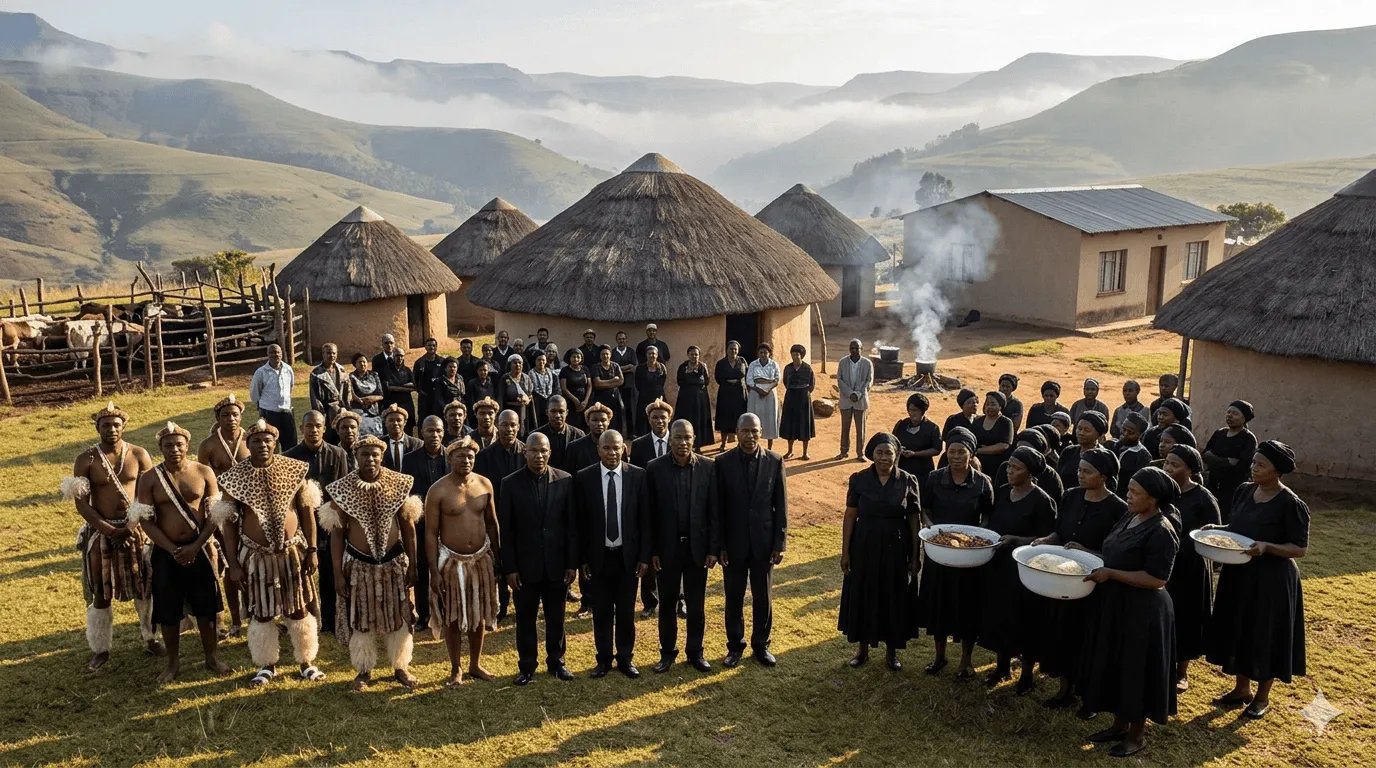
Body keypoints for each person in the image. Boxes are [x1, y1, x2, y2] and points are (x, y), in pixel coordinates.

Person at [213, 418, 324, 687]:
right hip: (255, 555)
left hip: (292, 552)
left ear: (275, 443)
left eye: (267, 440)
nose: (262, 445)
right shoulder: (234, 478)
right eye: (256, 441)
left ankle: (306, 662)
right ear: (247, 445)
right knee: (262, 611)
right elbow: (229, 526)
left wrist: (311, 549)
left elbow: (307, 512)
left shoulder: (294, 469)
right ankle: (267, 666)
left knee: (297, 607)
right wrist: (233, 564)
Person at [1079, 467, 1181, 758]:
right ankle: (1118, 724)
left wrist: (1111, 573)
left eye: (1135, 493)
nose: (1128, 496)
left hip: (1144, 611)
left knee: (1137, 670)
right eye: (1129, 490)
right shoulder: (1130, 516)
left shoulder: (1162, 530)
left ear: (1153, 499)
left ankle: (1137, 735)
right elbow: (1113, 551)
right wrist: (1092, 555)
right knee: (1116, 664)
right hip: (1116, 605)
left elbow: (1157, 579)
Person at [1204, 440, 1309, 720]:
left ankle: (1262, 697)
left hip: (1272, 580)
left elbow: (1299, 548)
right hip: (1239, 573)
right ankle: (1241, 689)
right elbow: (1236, 528)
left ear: (1277, 471)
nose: (1254, 468)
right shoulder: (1244, 491)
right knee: (1240, 628)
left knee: (1265, 635)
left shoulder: (1290, 504)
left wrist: (1267, 547)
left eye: (1260, 465)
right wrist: (1216, 529)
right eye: (1253, 463)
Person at [60, 401, 159, 672]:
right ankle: (100, 649)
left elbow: (148, 494)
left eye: (116, 425)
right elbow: (82, 503)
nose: (111, 430)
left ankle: (151, 638)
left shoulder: (139, 455)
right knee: (100, 591)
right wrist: (109, 530)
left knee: (144, 586)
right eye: (105, 425)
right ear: (97, 428)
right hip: (101, 532)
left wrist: (130, 526)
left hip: (134, 530)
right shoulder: (86, 459)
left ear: (123, 426)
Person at [129, 421, 230, 683]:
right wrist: (173, 549)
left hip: (201, 550)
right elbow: (146, 520)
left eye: (179, 444)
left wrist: (196, 546)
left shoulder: (203, 471)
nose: (174, 449)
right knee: (168, 610)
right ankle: (173, 663)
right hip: (167, 553)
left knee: (206, 607)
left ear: (187, 445)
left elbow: (214, 515)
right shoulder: (150, 478)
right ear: (160, 448)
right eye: (168, 445)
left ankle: (211, 658)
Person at [320, 436, 422, 690]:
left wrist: (413, 564)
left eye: (375, 454)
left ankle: (401, 666)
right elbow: (336, 535)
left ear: (382, 456)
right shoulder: (342, 489)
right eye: (365, 454)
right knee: (362, 618)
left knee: (398, 616)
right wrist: (337, 574)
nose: (370, 459)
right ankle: (363, 670)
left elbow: (408, 528)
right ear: (356, 457)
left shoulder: (398, 483)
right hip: (358, 565)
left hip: (394, 564)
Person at [1030, 447, 1126, 713]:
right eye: (1079, 469)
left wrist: (1088, 553)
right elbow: (1060, 532)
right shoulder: (1071, 497)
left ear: (1104, 476)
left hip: (1093, 585)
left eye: (1087, 471)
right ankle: (1065, 690)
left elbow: (1116, 552)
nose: (1080, 475)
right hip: (1063, 580)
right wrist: (1047, 540)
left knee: (1089, 640)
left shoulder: (1118, 509)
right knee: (1063, 635)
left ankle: (1091, 698)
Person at [499, 433, 578, 685]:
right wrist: (509, 568)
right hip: (525, 567)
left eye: (543, 451)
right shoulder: (510, 484)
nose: (539, 455)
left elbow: (571, 528)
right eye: (534, 451)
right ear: (525, 453)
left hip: (556, 565)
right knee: (525, 618)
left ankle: (557, 662)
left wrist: (571, 563)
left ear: (550, 452)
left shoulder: (565, 480)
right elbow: (507, 531)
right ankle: (527, 666)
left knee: (556, 616)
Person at [915, 427, 993, 679]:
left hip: (969, 558)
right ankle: (939, 656)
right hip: (939, 553)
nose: (956, 456)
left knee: (967, 608)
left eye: (961, 452)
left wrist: (977, 536)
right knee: (939, 606)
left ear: (971, 455)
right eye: (951, 451)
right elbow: (924, 508)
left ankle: (965, 661)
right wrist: (930, 527)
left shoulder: (982, 482)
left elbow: (989, 515)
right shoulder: (935, 478)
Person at [979, 446, 1057, 692]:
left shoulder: (1042, 501)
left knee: (1026, 620)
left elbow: (1047, 538)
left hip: (1025, 571)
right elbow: (990, 522)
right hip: (999, 567)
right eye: (1009, 466)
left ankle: (1026, 675)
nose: (1009, 471)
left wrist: (1017, 540)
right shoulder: (1002, 494)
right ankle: (1002, 666)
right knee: (1001, 616)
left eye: (1016, 468)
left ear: (1031, 473)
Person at [840, 433, 920, 671]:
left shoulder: (908, 480)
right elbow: (850, 515)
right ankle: (862, 650)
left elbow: (914, 519)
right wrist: (845, 552)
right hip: (864, 546)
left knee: (893, 596)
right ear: (872, 455)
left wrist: (915, 555)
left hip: (896, 547)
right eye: (879, 452)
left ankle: (891, 652)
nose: (884, 458)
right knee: (864, 593)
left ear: (896, 455)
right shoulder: (859, 479)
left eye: (889, 453)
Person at [425, 436, 500, 685]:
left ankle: (475, 664)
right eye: (460, 456)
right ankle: (456, 667)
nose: (466, 460)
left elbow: (491, 522)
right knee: (453, 615)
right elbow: (430, 533)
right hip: (451, 561)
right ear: (450, 459)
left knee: (478, 613)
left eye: (470, 456)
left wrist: (498, 557)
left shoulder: (484, 484)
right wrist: (434, 571)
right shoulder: (438, 490)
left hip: (481, 559)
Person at [576, 430, 651, 679]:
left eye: (616, 448)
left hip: (627, 557)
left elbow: (645, 520)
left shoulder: (637, 476)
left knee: (627, 611)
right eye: (606, 448)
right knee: (602, 611)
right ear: (598, 449)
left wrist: (643, 557)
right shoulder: (584, 478)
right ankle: (604, 659)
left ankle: (626, 658)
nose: (611, 453)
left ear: (623, 449)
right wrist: (583, 559)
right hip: (598, 558)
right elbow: (580, 523)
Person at [647, 419, 719, 673]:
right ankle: (667, 653)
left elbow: (714, 512)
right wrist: (652, 550)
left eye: (687, 438)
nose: (682, 442)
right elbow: (650, 514)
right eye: (677, 437)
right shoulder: (654, 469)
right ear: (670, 439)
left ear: (694, 439)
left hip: (697, 550)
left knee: (696, 604)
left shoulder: (708, 468)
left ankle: (695, 652)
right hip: (666, 550)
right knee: (666, 603)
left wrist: (712, 549)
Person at [717, 413, 787, 668]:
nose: (749, 436)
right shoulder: (722, 463)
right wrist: (720, 545)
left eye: (754, 431)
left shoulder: (775, 461)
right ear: (736, 431)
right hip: (733, 545)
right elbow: (718, 508)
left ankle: (761, 645)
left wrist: (780, 543)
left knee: (763, 596)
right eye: (744, 431)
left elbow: (781, 505)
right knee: (733, 596)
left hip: (763, 543)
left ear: (762, 432)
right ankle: (735, 646)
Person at [284, 411, 349, 634]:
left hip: (330, 521)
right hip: (301, 525)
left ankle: (330, 620)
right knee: (303, 573)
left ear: (324, 429)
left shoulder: (338, 454)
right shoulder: (289, 457)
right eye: (309, 426)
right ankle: (306, 618)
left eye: (318, 426)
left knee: (331, 571)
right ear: (302, 429)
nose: (313, 430)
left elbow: (342, 490)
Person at [1161, 445, 1220, 692]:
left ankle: (1181, 672)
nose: (1168, 468)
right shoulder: (1162, 492)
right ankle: (1160, 664)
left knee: (1184, 617)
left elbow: (1215, 535)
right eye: (1167, 463)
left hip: (1189, 568)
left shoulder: (1203, 498)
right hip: (1162, 564)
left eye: (1175, 465)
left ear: (1191, 470)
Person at [563, 402, 618, 616]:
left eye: (603, 419)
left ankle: (611, 600)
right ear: (588, 421)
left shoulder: (616, 444)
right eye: (595, 419)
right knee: (587, 557)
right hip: (586, 509)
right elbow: (569, 479)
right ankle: (587, 602)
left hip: (612, 507)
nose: (599, 423)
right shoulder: (575, 447)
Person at [475, 409, 526, 620]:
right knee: (499, 559)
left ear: (519, 427)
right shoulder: (485, 456)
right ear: (498, 426)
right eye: (504, 425)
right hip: (494, 517)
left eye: (513, 425)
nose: (509, 429)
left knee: (522, 559)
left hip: (522, 516)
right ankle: (502, 604)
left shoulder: (525, 452)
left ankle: (522, 602)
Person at [401, 416, 449, 633]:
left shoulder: (450, 457)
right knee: (421, 566)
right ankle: (423, 615)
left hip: (447, 522)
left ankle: (446, 610)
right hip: (419, 521)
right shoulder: (409, 460)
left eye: (438, 431)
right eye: (430, 431)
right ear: (421, 432)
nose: (435, 435)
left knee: (445, 567)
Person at [629, 397, 675, 618]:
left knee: (677, 554)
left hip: (674, 507)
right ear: (649, 419)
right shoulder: (639, 445)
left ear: (670, 419)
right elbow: (636, 476)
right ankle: (650, 600)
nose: (659, 421)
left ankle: (680, 599)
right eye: (655, 417)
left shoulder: (677, 440)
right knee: (648, 551)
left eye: (663, 417)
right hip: (649, 505)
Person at [1203, 400, 1257, 522]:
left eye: (1235, 413)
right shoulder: (1219, 433)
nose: (1229, 416)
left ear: (1244, 418)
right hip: (1212, 482)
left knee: (1227, 517)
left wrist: (1215, 459)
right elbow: (1205, 455)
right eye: (1228, 412)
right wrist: (1227, 461)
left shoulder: (1248, 438)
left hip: (1233, 488)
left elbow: (1242, 465)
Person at [992, 429, 1064, 506]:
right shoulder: (1005, 468)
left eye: (1027, 449)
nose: (1010, 471)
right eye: (1019, 448)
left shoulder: (1051, 476)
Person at [249, 344, 298, 449]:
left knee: (290, 444)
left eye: (277, 352)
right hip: (269, 412)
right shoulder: (261, 372)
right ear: (267, 354)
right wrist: (260, 406)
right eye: (272, 352)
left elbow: (290, 387)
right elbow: (254, 392)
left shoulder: (288, 370)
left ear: (281, 354)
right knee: (271, 444)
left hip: (286, 412)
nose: (275, 355)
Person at [836, 339, 873, 461]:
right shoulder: (842, 362)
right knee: (845, 428)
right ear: (849, 349)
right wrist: (850, 393)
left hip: (860, 401)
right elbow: (839, 380)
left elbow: (869, 381)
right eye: (852, 348)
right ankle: (843, 451)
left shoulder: (867, 363)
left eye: (857, 348)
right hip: (846, 400)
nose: (854, 350)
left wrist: (858, 394)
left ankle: (860, 453)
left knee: (860, 428)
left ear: (861, 349)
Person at [892, 393, 943, 483]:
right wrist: (900, 450)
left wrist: (915, 454)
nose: (912, 413)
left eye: (916, 410)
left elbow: (937, 449)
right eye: (911, 410)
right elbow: (892, 442)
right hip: (903, 470)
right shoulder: (901, 425)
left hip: (923, 472)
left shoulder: (932, 428)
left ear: (922, 411)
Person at [778, 344, 816, 461]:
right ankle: (790, 451)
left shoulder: (808, 368)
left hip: (804, 398)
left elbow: (812, 384)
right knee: (791, 424)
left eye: (797, 355)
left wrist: (804, 392)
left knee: (804, 424)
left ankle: (805, 452)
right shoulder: (788, 368)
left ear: (801, 356)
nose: (795, 357)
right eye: (793, 354)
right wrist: (793, 389)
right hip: (791, 397)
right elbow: (785, 381)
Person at [373, 335, 417, 435]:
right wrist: (403, 387)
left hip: (406, 401)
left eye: (391, 343)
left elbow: (413, 386)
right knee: (390, 423)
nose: (389, 345)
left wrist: (397, 385)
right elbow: (387, 385)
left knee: (407, 426)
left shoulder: (407, 370)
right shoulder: (380, 362)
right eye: (386, 343)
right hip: (387, 397)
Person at [198, 393, 251, 474]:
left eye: (235, 415)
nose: (231, 419)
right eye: (226, 415)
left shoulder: (251, 441)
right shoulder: (207, 446)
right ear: (218, 418)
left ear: (241, 417)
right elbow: (204, 477)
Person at [309, 343, 351, 443]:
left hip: (341, 410)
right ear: (323, 354)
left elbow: (347, 391)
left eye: (334, 353)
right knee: (329, 439)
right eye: (328, 353)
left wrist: (348, 409)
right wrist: (320, 415)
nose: (331, 356)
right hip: (326, 412)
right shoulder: (316, 373)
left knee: (343, 438)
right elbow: (314, 397)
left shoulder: (342, 370)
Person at [1057, 411, 1108, 492]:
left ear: (1099, 434)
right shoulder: (1068, 452)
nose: (1081, 433)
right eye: (1079, 428)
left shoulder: (1105, 457)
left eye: (1087, 430)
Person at [676, 346, 714, 452]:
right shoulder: (683, 367)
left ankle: (698, 445)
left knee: (699, 421)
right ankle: (686, 444)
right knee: (687, 420)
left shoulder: (703, 367)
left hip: (700, 399)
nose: (694, 356)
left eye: (696, 354)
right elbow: (679, 381)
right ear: (688, 355)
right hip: (686, 399)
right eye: (692, 354)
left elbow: (707, 381)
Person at [535, 396, 586, 472]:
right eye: (553, 411)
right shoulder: (537, 436)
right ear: (547, 412)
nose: (557, 415)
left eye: (561, 411)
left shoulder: (578, 435)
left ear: (567, 412)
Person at [714, 340, 749, 451]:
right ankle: (723, 443)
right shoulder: (721, 363)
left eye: (735, 349)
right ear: (727, 350)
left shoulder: (742, 361)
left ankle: (740, 443)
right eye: (731, 348)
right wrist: (728, 383)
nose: (733, 351)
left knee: (740, 418)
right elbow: (717, 377)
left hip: (740, 393)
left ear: (738, 350)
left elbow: (747, 374)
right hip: (726, 393)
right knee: (725, 417)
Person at [746, 344, 782, 452]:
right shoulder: (753, 365)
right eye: (761, 352)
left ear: (769, 353)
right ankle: (754, 446)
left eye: (765, 352)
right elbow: (749, 380)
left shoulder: (774, 365)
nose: (763, 355)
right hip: (755, 394)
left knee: (770, 419)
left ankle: (770, 447)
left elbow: (777, 379)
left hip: (770, 394)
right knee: (754, 418)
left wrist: (767, 388)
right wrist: (759, 389)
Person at [972, 391, 1014, 478]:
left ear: (1000, 406)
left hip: (998, 466)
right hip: (978, 464)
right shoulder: (977, 421)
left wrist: (979, 450)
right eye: (987, 404)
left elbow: (1004, 445)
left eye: (993, 404)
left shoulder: (1006, 422)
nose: (989, 407)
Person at [1111, 413, 1153, 498]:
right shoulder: (1111, 445)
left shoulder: (1143, 456)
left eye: (1131, 433)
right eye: (1123, 429)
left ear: (1140, 435)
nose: (1125, 434)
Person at [591, 345, 628, 436]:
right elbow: (597, 383)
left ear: (610, 355)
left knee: (615, 419)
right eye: (603, 354)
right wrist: (612, 380)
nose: (605, 356)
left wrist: (604, 383)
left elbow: (621, 381)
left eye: (607, 354)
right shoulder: (596, 367)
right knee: (602, 417)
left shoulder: (615, 366)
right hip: (600, 397)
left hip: (614, 397)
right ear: (600, 356)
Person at [348, 353, 385, 438]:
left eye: (364, 362)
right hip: (359, 410)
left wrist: (373, 398)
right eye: (359, 362)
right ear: (355, 364)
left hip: (374, 411)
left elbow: (381, 394)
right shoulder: (351, 377)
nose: (362, 364)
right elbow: (351, 395)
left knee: (376, 436)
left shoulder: (374, 375)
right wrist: (362, 400)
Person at [635, 346, 669, 436]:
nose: (651, 355)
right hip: (644, 397)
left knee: (659, 416)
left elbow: (662, 381)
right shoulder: (640, 368)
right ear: (646, 355)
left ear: (657, 355)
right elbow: (637, 383)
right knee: (643, 418)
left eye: (653, 353)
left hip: (658, 397)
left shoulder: (662, 367)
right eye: (649, 353)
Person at [611, 331, 639, 437]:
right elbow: (612, 368)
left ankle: (631, 433)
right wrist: (625, 368)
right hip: (616, 385)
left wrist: (619, 369)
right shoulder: (613, 352)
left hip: (628, 384)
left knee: (629, 409)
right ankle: (617, 432)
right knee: (617, 409)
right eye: (619, 339)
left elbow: (633, 366)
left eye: (623, 339)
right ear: (616, 340)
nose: (621, 340)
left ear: (626, 340)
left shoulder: (631, 351)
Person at [499, 355, 536, 435]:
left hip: (525, 411)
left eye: (520, 363)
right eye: (515, 363)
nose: (517, 365)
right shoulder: (505, 378)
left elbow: (530, 395)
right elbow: (501, 397)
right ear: (510, 365)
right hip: (510, 410)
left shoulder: (526, 378)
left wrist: (526, 399)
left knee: (525, 432)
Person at [413, 337, 445, 425]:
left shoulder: (442, 362)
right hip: (425, 397)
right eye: (429, 345)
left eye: (434, 345)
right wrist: (420, 391)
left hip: (439, 397)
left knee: (439, 420)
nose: (432, 347)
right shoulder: (419, 363)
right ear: (425, 347)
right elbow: (415, 380)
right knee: (424, 421)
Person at [380, 404, 422, 471]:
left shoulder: (417, 444)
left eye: (399, 420)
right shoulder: (379, 444)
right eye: (391, 420)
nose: (395, 423)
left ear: (405, 422)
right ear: (385, 423)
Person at [560, 348, 592, 431]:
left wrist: (585, 401)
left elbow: (589, 385)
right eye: (573, 357)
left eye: (578, 357)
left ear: (581, 358)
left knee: (585, 424)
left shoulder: (585, 369)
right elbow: (564, 388)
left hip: (584, 402)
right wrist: (576, 401)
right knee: (573, 424)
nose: (576, 359)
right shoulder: (564, 371)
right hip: (571, 402)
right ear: (569, 358)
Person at [528, 352, 558, 429]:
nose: (541, 362)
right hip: (536, 402)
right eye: (539, 360)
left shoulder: (551, 373)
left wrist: (551, 398)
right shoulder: (530, 374)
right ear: (535, 361)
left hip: (549, 401)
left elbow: (556, 388)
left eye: (543, 360)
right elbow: (530, 390)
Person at [466, 359, 498, 428]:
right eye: (480, 370)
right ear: (477, 371)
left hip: (489, 414)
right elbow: (470, 402)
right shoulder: (472, 383)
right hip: (477, 415)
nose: (483, 372)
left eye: (485, 370)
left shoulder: (491, 383)